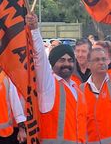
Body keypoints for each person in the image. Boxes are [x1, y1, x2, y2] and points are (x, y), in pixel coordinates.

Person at [26, 13, 86, 144]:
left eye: (70, 60)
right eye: (62, 60)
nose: (67, 64)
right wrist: (35, 30)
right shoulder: (48, 85)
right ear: (52, 63)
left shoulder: (76, 88)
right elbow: (40, 59)